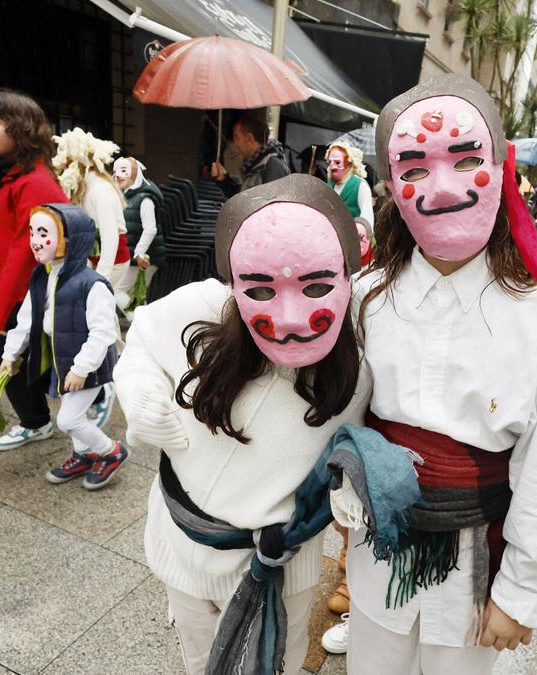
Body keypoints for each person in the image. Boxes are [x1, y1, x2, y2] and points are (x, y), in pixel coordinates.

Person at [331, 73, 537, 674]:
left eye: (464, 159)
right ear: (392, 186)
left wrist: (522, 590)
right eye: (414, 168)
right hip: (381, 548)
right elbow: (341, 416)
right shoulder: (367, 297)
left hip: (477, 562)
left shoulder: (536, 316)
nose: (441, 189)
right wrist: (345, 498)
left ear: (499, 169)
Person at [115, 174, 369, 675]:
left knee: (281, 659)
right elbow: (140, 340)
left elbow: (362, 442)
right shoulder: (202, 309)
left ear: (348, 276)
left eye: (316, 286)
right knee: (197, 657)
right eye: (260, 289)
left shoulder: (357, 369)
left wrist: (354, 480)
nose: (291, 316)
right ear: (233, 283)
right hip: (184, 546)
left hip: (278, 565)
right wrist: (142, 395)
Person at [0, 204, 127, 488]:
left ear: (71, 241)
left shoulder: (92, 285)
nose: (34, 240)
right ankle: (83, 454)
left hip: (88, 366)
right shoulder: (44, 276)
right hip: (63, 360)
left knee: (68, 419)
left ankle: (110, 451)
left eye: (44, 233)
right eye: (33, 232)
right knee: (71, 411)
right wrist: (11, 353)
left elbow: (103, 332)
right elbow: (26, 318)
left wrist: (82, 368)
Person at [0, 90, 73, 450]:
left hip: (30, 291)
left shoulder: (32, 181)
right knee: (32, 355)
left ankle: (37, 421)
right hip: (22, 289)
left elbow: (25, 253)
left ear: (21, 130)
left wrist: (1, 310)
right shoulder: (13, 176)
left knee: (11, 355)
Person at [51, 128, 130, 302]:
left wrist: (100, 278)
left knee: (98, 307)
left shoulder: (100, 190)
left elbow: (110, 239)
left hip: (112, 262)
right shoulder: (86, 187)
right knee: (101, 309)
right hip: (96, 259)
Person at [112, 156, 165, 315]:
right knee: (136, 296)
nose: (118, 175)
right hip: (137, 256)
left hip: (143, 257)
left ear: (135, 173)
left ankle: (137, 323)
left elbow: (150, 229)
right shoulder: (128, 196)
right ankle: (144, 325)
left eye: (123, 171)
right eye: (115, 171)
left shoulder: (144, 198)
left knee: (116, 290)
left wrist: (139, 252)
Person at [207, 109, 290, 197]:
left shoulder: (272, 166)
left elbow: (271, 206)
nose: (235, 144)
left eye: (237, 137)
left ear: (249, 138)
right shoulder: (254, 164)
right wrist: (223, 179)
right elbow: (243, 196)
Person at [327, 141, 374, 228]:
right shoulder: (329, 186)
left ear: (348, 163)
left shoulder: (359, 185)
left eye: (337, 163)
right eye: (330, 162)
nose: (332, 167)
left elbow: (367, 217)